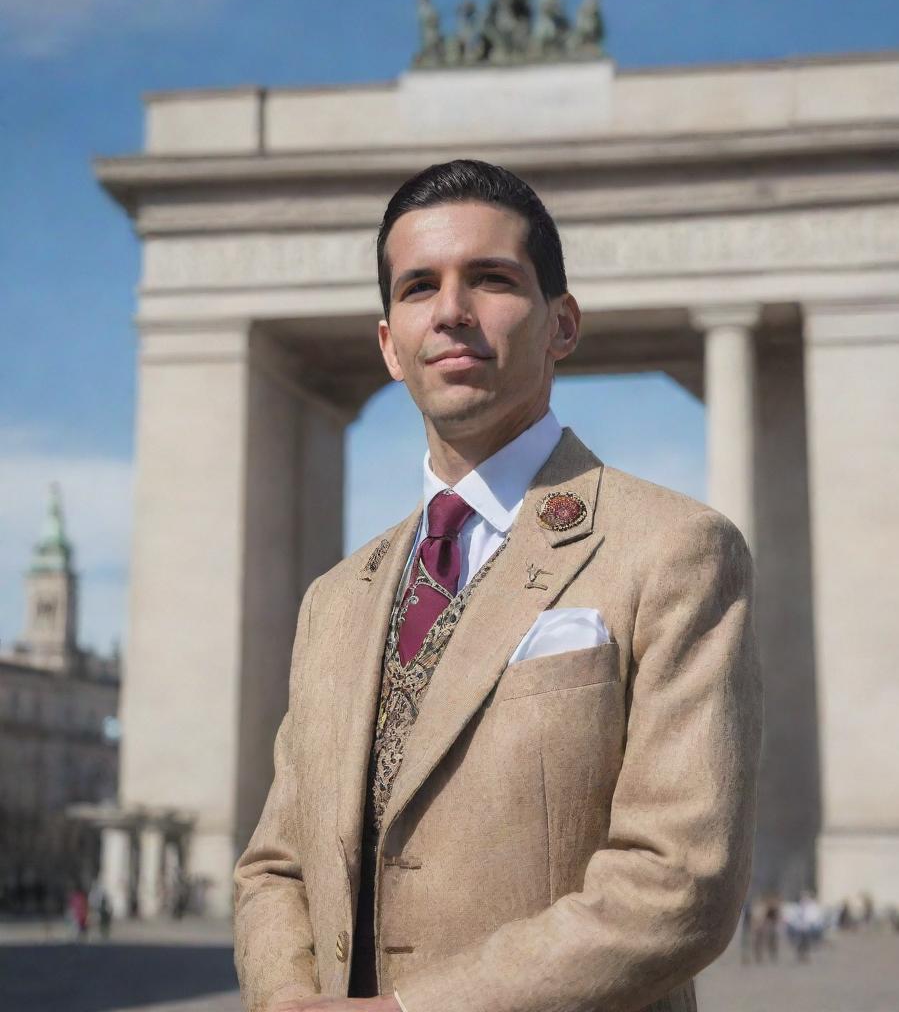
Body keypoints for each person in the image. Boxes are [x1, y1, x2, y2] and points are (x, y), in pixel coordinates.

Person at [233, 159, 763, 1012]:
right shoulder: (332, 600)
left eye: (490, 278)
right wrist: (286, 995)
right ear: (388, 346)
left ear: (562, 323)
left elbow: (679, 881)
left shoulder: (673, 550)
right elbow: (275, 863)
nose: (450, 311)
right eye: (418, 287)